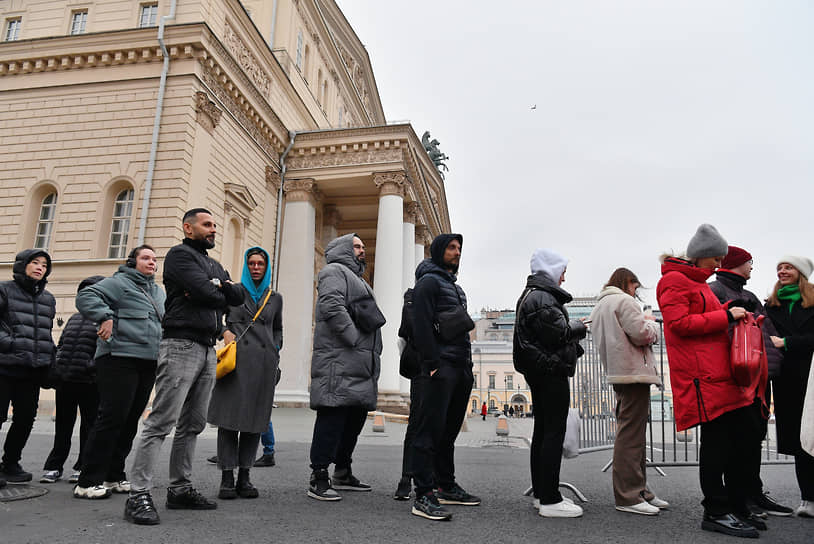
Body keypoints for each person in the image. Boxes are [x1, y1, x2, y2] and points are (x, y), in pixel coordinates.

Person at [125, 208, 243, 525]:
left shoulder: (213, 264)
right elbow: (211, 293)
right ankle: (138, 495)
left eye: (215, 225)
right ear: (188, 228)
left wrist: (219, 288)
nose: (213, 229)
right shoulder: (179, 256)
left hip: (207, 348)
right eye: (207, 225)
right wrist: (218, 288)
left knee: (193, 424)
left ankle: (180, 489)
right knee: (161, 422)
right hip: (180, 345)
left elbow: (238, 296)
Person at [656, 224, 761, 538]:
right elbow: (679, 324)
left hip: (716, 374)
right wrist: (727, 316)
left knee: (736, 440)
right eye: (715, 258)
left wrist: (730, 310)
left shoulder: (697, 282)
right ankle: (716, 510)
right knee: (718, 445)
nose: (718, 265)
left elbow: (702, 317)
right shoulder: (674, 281)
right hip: (702, 376)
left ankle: (734, 506)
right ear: (700, 256)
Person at [72, 246, 165, 500]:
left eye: (155, 259)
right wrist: (105, 316)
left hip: (148, 361)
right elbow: (86, 297)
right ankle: (87, 480)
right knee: (112, 417)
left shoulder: (158, 291)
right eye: (145, 258)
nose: (151, 262)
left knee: (130, 420)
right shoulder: (119, 282)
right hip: (118, 358)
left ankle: (113, 476)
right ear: (132, 261)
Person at [708, 246, 793, 517]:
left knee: (754, 436)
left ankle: (752, 493)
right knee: (738, 438)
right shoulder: (717, 290)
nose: (752, 267)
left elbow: (765, 333)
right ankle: (739, 497)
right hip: (739, 375)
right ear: (735, 263)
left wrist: (771, 367)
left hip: (757, 375)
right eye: (749, 262)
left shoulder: (748, 294)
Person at [406, 234, 480, 521]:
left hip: (460, 366)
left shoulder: (456, 288)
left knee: (448, 431)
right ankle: (423, 493)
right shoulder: (428, 283)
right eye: (451, 247)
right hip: (441, 366)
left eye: (459, 248)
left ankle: (445, 484)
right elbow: (421, 325)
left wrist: (467, 366)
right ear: (438, 251)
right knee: (428, 431)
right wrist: (433, 363)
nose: (457, 252)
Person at [308, 233, 384, 501]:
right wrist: (353, 338)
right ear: (343, 249)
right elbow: (330, 305)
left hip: (359, 363)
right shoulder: (333, 271)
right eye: (357, 246)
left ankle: (342, 471)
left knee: (354, 418)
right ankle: (318, 475)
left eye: (363, 246)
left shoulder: (358, 279)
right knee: (332, 416)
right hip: (338, 361)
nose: (362, 250)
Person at [513, 248, 586, 518]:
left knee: (544, 432)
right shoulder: (544, 298)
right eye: (563, 272)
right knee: (552, 432)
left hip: (541, 369)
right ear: (552, 271)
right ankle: (550, 499)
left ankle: (543, 493)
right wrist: (579, 327)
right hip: (550, 371)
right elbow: (559, 335)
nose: (564, 279)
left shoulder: (534, 295)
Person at [589, 267, 667, 516]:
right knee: (632, 437)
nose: (636, 293)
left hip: (618, 372)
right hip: (633, 372)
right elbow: (642, 334)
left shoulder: (602, 304)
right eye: (635, 287)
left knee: (631, 434)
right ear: (628, 283)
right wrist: (652, 325)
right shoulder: (624, 301)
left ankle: (640, 490)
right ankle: (629, 495)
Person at [207, 247, 282, 500]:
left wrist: (276, 348)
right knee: (229, 421)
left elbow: (278, 328)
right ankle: (227, 477)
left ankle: (245, 477)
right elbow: (217, 317)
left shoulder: (275, 297)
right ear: (246, 265)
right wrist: (224, 332)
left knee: (254, 422)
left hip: (263, 363)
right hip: (235, 362)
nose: (256, 267)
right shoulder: (234, 291)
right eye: (251, 263)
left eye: (260, 263)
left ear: (266, 266)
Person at [39, 275, 104, 485]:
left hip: (90, 383)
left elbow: (105, 349)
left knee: (89, 427)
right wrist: (58, 366)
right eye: (84, 292)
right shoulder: (74, 317)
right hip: (65, 380)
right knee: (63, 427)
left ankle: (82, 466)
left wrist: (92, 367)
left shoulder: (107, 318)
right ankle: (54, 466)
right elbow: (62, 344)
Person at [0, 249, 56, 485]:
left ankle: (11, 463)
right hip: (4, 366)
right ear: (22, 265)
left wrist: (50, 357)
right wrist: (10, 344)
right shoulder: (4, 289)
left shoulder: (48, 298)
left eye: (44, 265)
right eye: (35, 263)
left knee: (25, 418)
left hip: (32, 370)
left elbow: (46, 332)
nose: (40, 267)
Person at [765, 255, 814, 518]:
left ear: (801, 272)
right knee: (800, 442)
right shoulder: (771, 305)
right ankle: (808, 498)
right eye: (779, 267)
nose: (782, 271)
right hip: (787, 381)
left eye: (788, 267)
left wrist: (788, 342)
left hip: (812, 376)